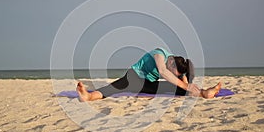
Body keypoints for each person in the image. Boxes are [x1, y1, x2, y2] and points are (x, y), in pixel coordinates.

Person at [76, 48, 221, 102]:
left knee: (179, 86)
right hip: (133, 78)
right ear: (170, 64)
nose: (173, 74)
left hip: (147, 84)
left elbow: (179, 77)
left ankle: (205, 93)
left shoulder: (176, 63)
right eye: (173, 71)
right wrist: (184, 84)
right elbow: (163, 72)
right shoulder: (159, 54)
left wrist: (187, 83)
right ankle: (88, 96)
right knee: (113, 87)